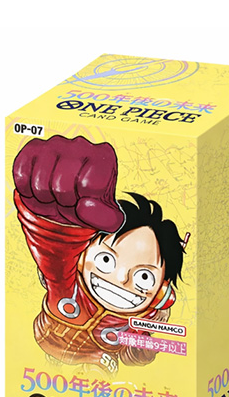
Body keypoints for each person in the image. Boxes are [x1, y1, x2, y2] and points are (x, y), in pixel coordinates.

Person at [13, 135, 186, 377]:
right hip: (48, 345)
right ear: (83, 258)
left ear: (162, 291)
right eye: (106, 260)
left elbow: (134, 358)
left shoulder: (143, 317)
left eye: (144, 277)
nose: (122, 279)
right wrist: (53, 218)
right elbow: (54, 252)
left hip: (98, 365)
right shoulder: (69, 286)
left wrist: (143, 346)